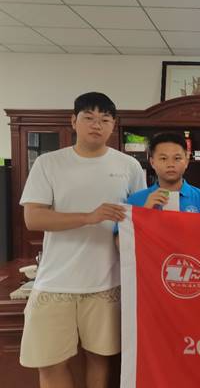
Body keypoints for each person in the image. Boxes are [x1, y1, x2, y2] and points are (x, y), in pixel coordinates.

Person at [19, 92, 146, 388]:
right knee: (50, 364)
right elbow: (33, 218)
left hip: (107, 283)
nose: (96, 125)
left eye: (104, 119)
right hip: (55, 283)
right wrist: (89, 217)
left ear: (113, 125)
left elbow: (139, 220)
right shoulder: (49, 163)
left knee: (101, 360)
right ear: (73, 121)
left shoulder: (129, 166)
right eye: (88, 117)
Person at [125, 132, 200, 214]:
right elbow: (123, 229)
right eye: (163, 158)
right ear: (152, 162)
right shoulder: (134, 201)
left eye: (177, 158)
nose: (170, 164)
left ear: (186, 161)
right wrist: (144, 212)